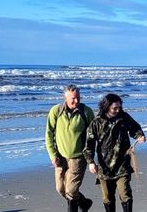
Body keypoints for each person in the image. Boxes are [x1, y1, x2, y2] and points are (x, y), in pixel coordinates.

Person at [84, 93, 146, 212]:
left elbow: (135, 128)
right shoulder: (96, 122)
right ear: (106, 106)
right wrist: (90, 162)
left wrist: (139, 136)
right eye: (114, 108)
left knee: (125, 193)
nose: (117, 110)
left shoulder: (123, 117)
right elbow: (89, 144)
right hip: (104, 166)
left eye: (119, 107)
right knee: (107, 197)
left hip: (123, 164)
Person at [45, 84, 95, 212]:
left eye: (78, 97)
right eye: (73, 98)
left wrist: (91, 159)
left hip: (78, 158)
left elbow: (94, 134)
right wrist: (53, 155)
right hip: (60, 158)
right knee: (61, 189)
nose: (77, 101)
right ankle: (84, 203)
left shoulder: (86, 112)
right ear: (65, 98)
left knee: (71, 191)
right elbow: (49, 134)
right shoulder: (56, 111)